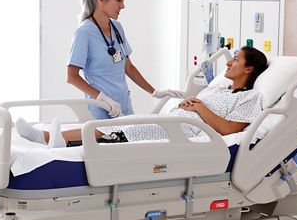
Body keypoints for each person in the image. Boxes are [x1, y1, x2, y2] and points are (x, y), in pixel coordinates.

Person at [15, 46, 268, 148]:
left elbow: (227, 129)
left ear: (249, 69)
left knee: (115, 130)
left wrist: (199, 108)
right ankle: (52, 137)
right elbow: (197, 106)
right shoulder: (218, 89)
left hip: (187, 132)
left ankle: (48, 138)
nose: (229, 62)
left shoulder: (250, 97)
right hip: (177, 121)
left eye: (236, 59)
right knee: (116, 125)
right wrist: (187, 104)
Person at [67, 0, 183, 119]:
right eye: (119, 0)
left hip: (123, 105)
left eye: (123, 0)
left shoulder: (117, 27)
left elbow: (128, 67)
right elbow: (72, 77)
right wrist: (103, 98)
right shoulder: (84, 32)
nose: (123, 6)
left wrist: (155, 92)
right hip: (102, 108)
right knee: (107, 138)